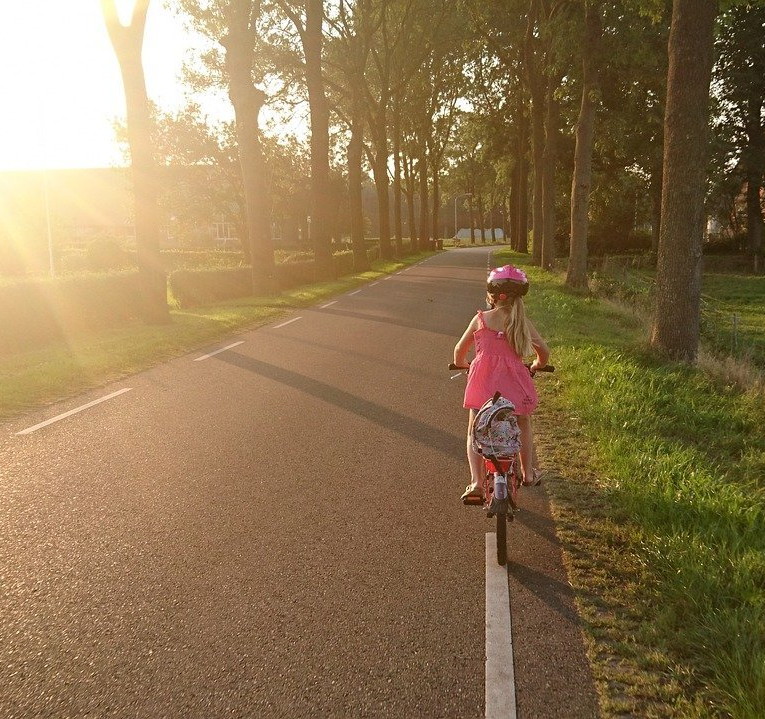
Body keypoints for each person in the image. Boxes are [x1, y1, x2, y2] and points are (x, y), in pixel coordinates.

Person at [453, 264, 550, 500]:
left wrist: (464, 365)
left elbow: (458, 351)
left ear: (492, 296)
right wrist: (537, 364)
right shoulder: (521, 323)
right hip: (514, 385)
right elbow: (543, 352)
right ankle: (527, 474)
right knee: (523, 422)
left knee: (474, 429)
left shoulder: (480, 320)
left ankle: (476, 482)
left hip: (482, 385)